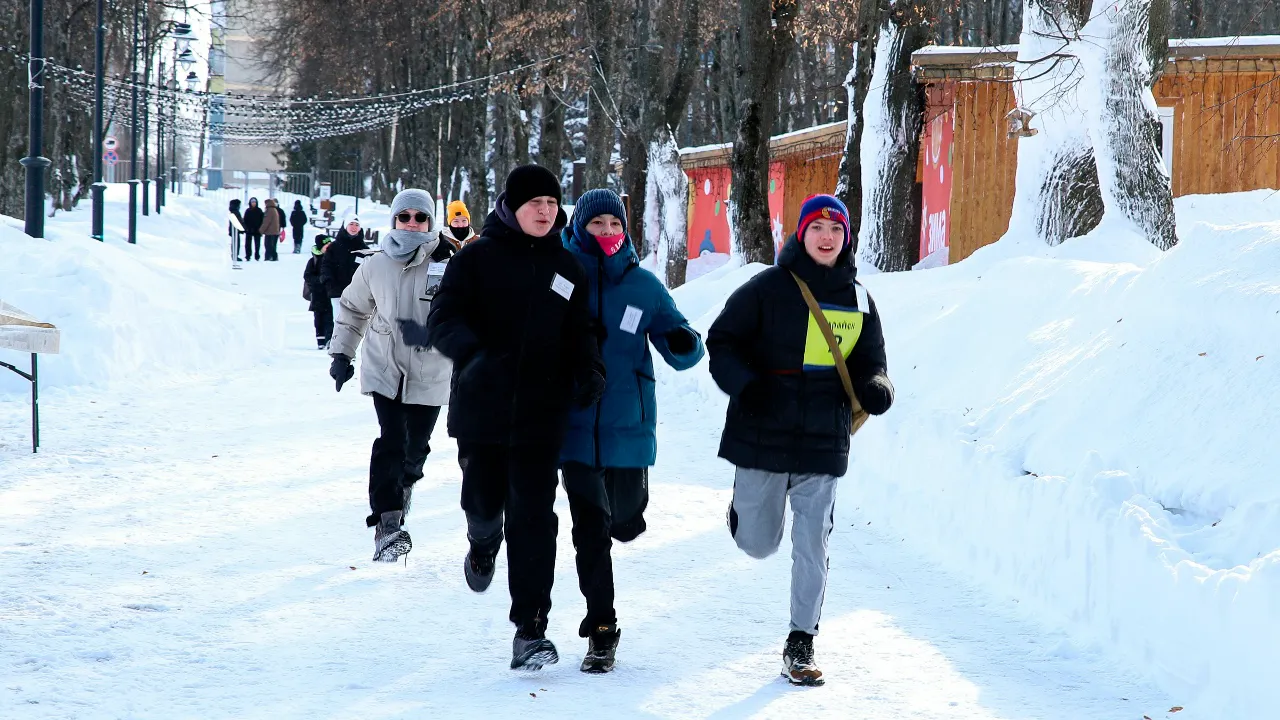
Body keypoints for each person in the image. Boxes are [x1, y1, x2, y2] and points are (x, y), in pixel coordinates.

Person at [707, 194, 893, 687]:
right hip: (763, 430)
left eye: (836, 229)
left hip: (822, 439)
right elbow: (722, 340)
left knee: (812, 542)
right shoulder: (767, 288)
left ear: (846, 238)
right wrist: (747, 384)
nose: (827, 237)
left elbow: (873, 359)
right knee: (758, 543)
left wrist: (878, 386)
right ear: (801, 233)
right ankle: (744, 514)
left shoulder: (858, 298)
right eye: (817, 228)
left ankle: (801, 641)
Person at [425, 164, 605, 671]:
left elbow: (581, 331)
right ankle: (482, 541)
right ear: (512, 206)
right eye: (535, 204)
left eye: (551, 203)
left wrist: (590, 369)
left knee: (534, 519)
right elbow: (442, 319)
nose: (545, 212)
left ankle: (530, 628)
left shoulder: (567, 267)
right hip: (482, 409)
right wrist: (474, 354)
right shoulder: (476, 258)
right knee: (483, 502)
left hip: (541, 414)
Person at [558, 189, 705, 673]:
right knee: (590, 532)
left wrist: (683, 342)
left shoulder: (642, 284)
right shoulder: (560, 276)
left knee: (624, 520)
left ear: (625, 230)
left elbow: (681, 341)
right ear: (580, 226)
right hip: (574, 426)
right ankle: (602, 628)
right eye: (596, 223)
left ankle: (626, 515)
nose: (605, 233)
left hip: (628, 425)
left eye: (613, 225)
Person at [328, 189, 456, 562]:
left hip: (431, 371)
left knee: (415, 451)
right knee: (391, 441)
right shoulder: (375, 265)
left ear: (431, 222)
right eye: (405, 217)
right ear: (394, 221)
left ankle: (404, 486)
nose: (412, 224)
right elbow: (353, 309)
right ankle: (388, 525)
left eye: (420, 217)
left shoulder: (449, 263)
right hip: (384, 368)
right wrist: (341, 353)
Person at [321, 213, 369, 319]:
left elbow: (371, 271)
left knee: (356, 325)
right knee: (340, 322)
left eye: (357, 225)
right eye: (351, 224)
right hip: (337, 293)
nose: (354, 227)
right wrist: (329, 283)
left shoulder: (365, 249)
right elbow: (326, 266)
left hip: (358, 295)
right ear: (345, 226)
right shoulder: (334, 247)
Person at [303, 234, 333, 349]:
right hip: (317, 295)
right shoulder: (313, 261)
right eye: (326, 246)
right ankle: (320, 340)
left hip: (330, 294)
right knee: (319, 319)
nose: (329, 248)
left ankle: (329, 339)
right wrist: (320, 280)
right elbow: (307, 276)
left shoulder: (333, 258)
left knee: (330, 318)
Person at [242, 197, 265, 262]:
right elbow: (245, 220)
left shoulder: (259, 210)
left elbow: (262, 220)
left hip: (257, 230)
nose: (253, 203)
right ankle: (248, 256)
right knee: (248, 244)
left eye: (254, 202)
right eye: (252, 202)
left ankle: (257, 256)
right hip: (249, 230)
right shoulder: (248, 211)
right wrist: (245, 228)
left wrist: (261, 228)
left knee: (257, 244)